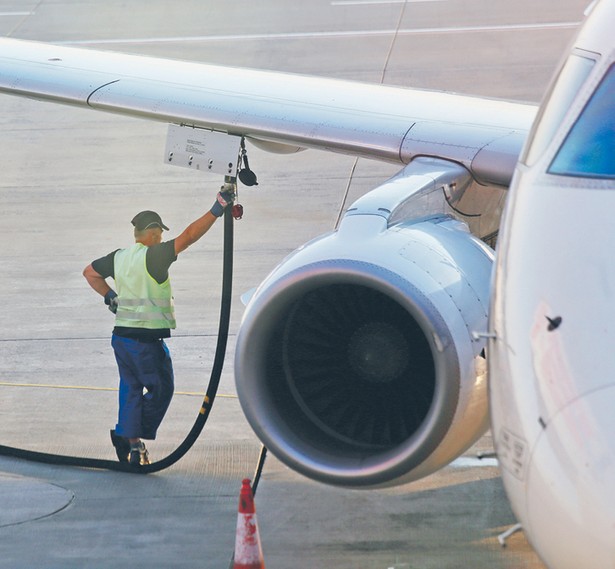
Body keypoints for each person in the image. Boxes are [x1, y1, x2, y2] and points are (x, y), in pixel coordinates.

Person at [83, 187, 234, 466]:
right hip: (145, 342)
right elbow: (188, 236)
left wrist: (110, 295)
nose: (163, 237)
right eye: (161, 233)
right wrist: (218, 208)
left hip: (121, 339)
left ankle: (131, 442)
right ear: (152, 232)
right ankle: (130, 435)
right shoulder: (155, 255)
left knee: (130, 388)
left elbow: (90, 273)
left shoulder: (119, 257)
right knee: (161, 388)